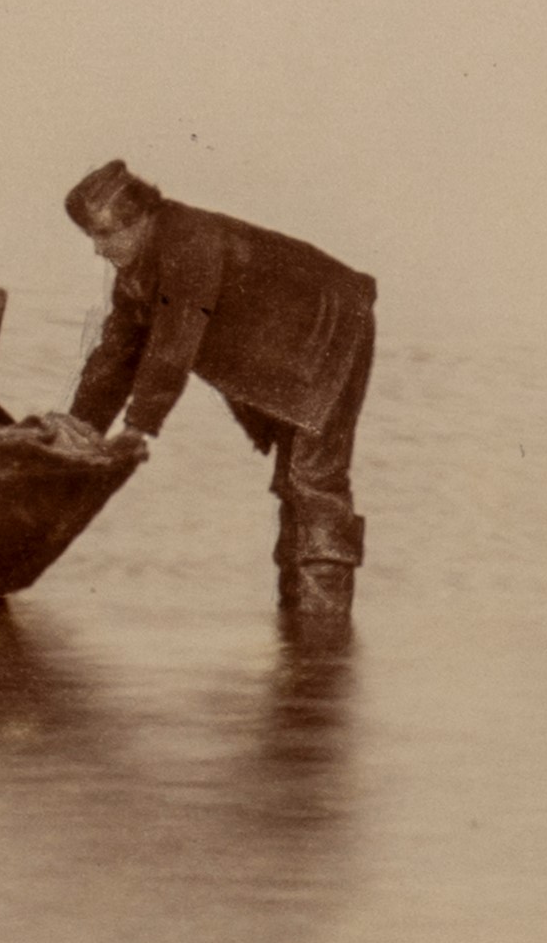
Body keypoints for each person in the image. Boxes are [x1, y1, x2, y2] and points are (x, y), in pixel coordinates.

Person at [40, 162, 378, 625]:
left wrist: (139, 427)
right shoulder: (139, 266)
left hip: (331, 331)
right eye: (91, 238)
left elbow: (174, 342)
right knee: (294, 483)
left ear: (140, 219)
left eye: (103, 234)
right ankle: (299, 620)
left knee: (313, 481)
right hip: (284, 354)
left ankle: (322, 629)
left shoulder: (188, 242)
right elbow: (118, 352)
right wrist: (81, 430)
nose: (98, 250)